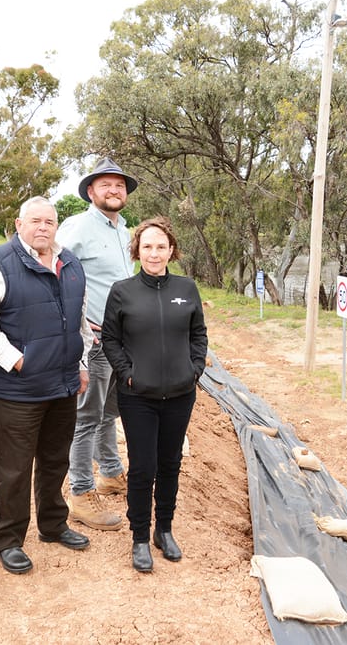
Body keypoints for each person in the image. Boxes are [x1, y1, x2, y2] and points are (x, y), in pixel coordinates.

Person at [0, 196, 93, 575]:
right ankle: (8, 540)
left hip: (64, 383)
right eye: (35, 221)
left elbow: (79, 320)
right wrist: (17, 361)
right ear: (19, 225)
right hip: (17, 390)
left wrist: (82, 364)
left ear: (56, 227)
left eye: (49, 222)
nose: (42, 228)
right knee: (13, 469)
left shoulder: (70, 263)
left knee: (55, 460)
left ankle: (53, 525)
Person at [101, 216, 208, 572]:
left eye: (161, 246)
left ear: (171, 250)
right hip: (138, 396)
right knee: (143, 467)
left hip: (180, 394)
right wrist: (128, 375)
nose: (154, 253)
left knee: (170, 464)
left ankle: (164, 529)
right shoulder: (122, 291)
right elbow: (111, 340)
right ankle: (139, 538)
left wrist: (195, 369)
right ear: (137, 250)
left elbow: (199, 334)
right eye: (147, 246)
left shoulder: (187, 288)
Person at [55, 157, 137, 532]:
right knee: (87, 416)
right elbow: (54, 271)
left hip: (121, 338)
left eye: (119, 185)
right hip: (93, 338)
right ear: (91, 191)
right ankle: (81, 493)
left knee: (109, 411)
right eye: (105, 184)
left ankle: (110, 471)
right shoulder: (78, 227)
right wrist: (74, 323)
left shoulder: (124, 232)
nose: (113, 190)